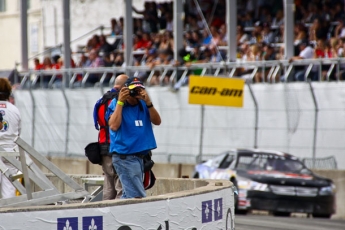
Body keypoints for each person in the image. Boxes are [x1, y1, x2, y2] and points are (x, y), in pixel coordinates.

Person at [107, 76, 161, 199]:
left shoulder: (143, 104)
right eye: (133, 90)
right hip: (125, 157)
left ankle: (116, 217)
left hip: (139, 157)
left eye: (139, 90)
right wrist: (120, 102)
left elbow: (157, 121)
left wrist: (149, 103)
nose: (135, 94)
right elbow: (114, 126)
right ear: (125, 90)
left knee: (128, 196)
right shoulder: (116, 103)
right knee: (137, 196)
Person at [92, 75, 128, 200]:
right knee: (121, 184)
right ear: (124, 86)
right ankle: (118, 213)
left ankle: (106, 211)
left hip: (103, 146)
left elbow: (97, 123)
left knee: (108, 181)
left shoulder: (100, 101)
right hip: (117, 145)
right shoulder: (119, 101)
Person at [0, 78, 21, 198]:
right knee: (9, 188)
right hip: (10, 151)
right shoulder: (14, 109)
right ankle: (9, 213)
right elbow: (19, 133)